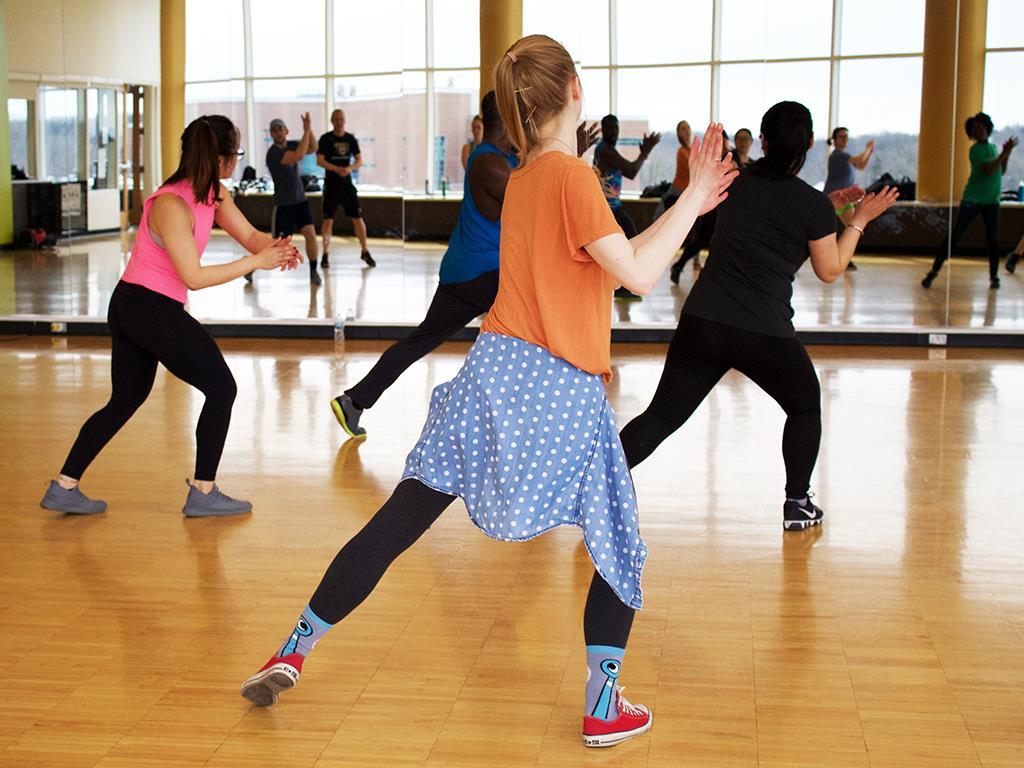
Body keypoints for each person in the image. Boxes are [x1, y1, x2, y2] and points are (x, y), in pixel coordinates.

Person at [241, 34, 735, 749]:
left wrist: (688, 200)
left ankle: (293, 647)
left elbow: (616, 259)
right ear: (574, 91)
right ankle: (603, 704)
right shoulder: (571, 179)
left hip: (491, 370)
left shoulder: (529, 176)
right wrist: (692, 196)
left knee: (400, 519)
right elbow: (638, 275)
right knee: (618, 541)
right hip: (559, 385)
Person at [618, 101, 898, 534]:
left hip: (704, 322)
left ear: (762, 141)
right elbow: (830, 269)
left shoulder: (734, 183)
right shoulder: (810, 206)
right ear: (808, 144)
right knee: (805, 405)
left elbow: (766, 207)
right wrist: (857, 219)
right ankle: (797, 503)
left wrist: (827, 207)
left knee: (662, 416)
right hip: (763, 332)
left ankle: (596, 487)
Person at [39, 115, 301, 518]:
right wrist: (256, 262)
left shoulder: (215, 194)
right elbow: (193, 278)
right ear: (221, 158)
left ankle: (64, 485)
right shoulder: (170, 204)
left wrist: (277, 248)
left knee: (125, 398)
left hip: (142, 305)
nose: (235, 161)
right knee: (221, 388)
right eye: (235, 153)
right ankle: (203, 491)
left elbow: (250, 236)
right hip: (145, 308)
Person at [329, 93, 598, 439]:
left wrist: (564, 152)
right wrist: (567, 152)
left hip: (465, 271)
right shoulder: (490, 164)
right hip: (483, 274)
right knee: (538, 335)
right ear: (507, 118)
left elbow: (534, 176)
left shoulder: (501, 158)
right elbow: (538, 197)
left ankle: (354, 400)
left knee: (424, 341)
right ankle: (528, 423)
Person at [922, 113, 1018, 290]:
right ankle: (933, 272)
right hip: (972, 199)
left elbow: (1000, 171)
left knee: (993, 239)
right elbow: (989, 169)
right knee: (955, 236)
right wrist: (1004, 153)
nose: (978, 131)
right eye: (974, 130)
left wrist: (1007, 153)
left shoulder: (992, 148)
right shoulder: (975, 150)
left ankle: (994, 276)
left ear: (987, 129)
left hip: (991, 200)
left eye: (980, 128)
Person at [593, 114, 661, 300]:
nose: (613, 132)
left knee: (628, 241)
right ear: (603, 130)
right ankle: (622, 285)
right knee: (630, 240)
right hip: (608, 207)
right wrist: (645, 153)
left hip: (612, 206)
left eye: (616, 128)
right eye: (610, 128)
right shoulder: (606, 150)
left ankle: (621, 284)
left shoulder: (607, 149)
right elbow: (631, 171)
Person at [669, 130, 734, 284]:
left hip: (729, 207)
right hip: (711, 206)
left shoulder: (735, 158)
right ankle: (678, 266)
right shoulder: (712, 159)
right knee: (702, 239)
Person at [264, 114, 322, 285]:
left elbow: (312, 147)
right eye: (274, 130)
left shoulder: (292, 144)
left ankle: (313, 271)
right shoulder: (273, 154)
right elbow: (298, 156)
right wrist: (305, 131)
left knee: (310, 235)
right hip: (283, 206)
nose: (277, 132)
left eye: (280, 128)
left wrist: (309, 129)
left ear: (286, 131)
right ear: (271, 134)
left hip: (300, 202)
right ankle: (251, 268)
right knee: (276, 245)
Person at [317, 109, 374, 269]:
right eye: (336, 119)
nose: (339, 122)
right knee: (328, 221)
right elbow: (320, 160)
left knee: (357, 218)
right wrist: (335, 168)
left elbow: (359, 159)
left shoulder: (350, 139)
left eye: (341, 119)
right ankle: (325, 253)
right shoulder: (325, 139)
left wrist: (349, 168)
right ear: (332, 120)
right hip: (331, 186)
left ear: (344, 120)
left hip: (347, 185)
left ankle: (365, 250)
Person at [824, 127, 875, 271]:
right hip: (836, 198)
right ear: (834, 140)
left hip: (844, 199)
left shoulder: (845, 156)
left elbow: (861, 165)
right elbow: (859, 160)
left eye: (846, 137)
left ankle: (845, 258)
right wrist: (867, 149)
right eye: (841, 137)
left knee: (851, 227)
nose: (844, 139)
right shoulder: (838, 155)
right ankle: (842, 258)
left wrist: (869, 152)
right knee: (852, 227)